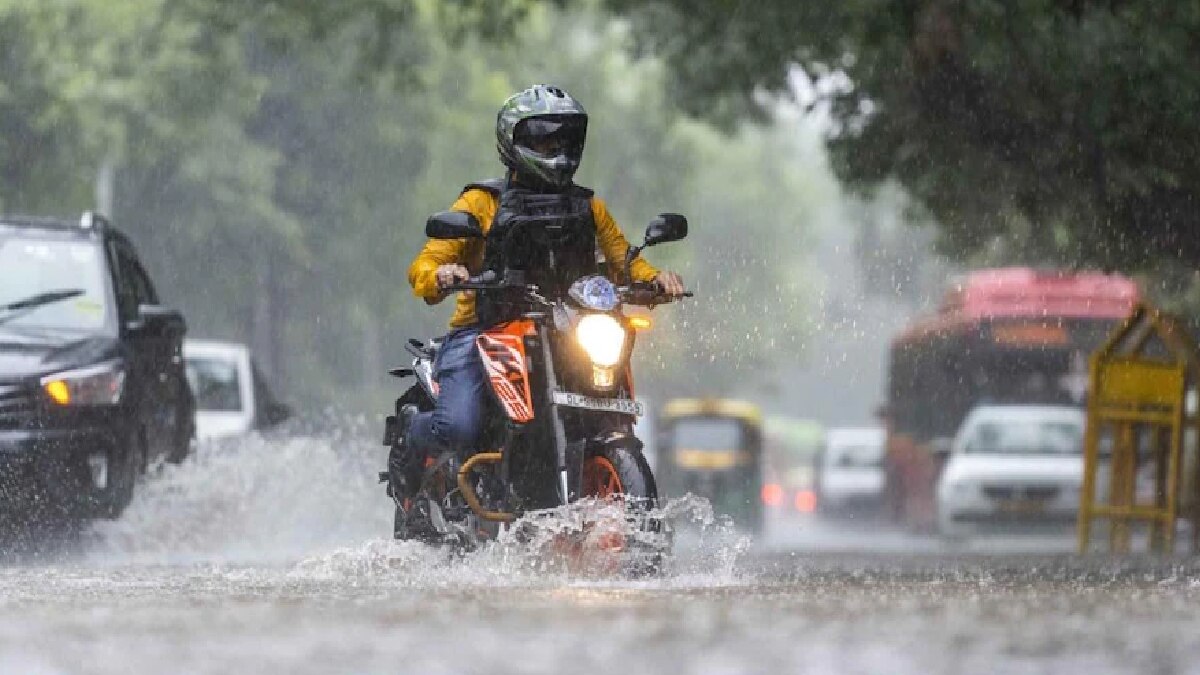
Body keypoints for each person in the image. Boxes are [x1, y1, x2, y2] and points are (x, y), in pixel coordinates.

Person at [387, 84, 684, 536]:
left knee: (608, 394)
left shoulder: (588, 207)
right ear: (514, 142)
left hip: (568, 329)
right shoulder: (481, 204)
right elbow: (423, 267)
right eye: (545, 141)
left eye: (564, 141)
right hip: (484, 329)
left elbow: (625, 261)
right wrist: (444, 274)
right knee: (459, 425)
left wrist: (656, 279)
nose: (557, 151)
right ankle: (412, 433)